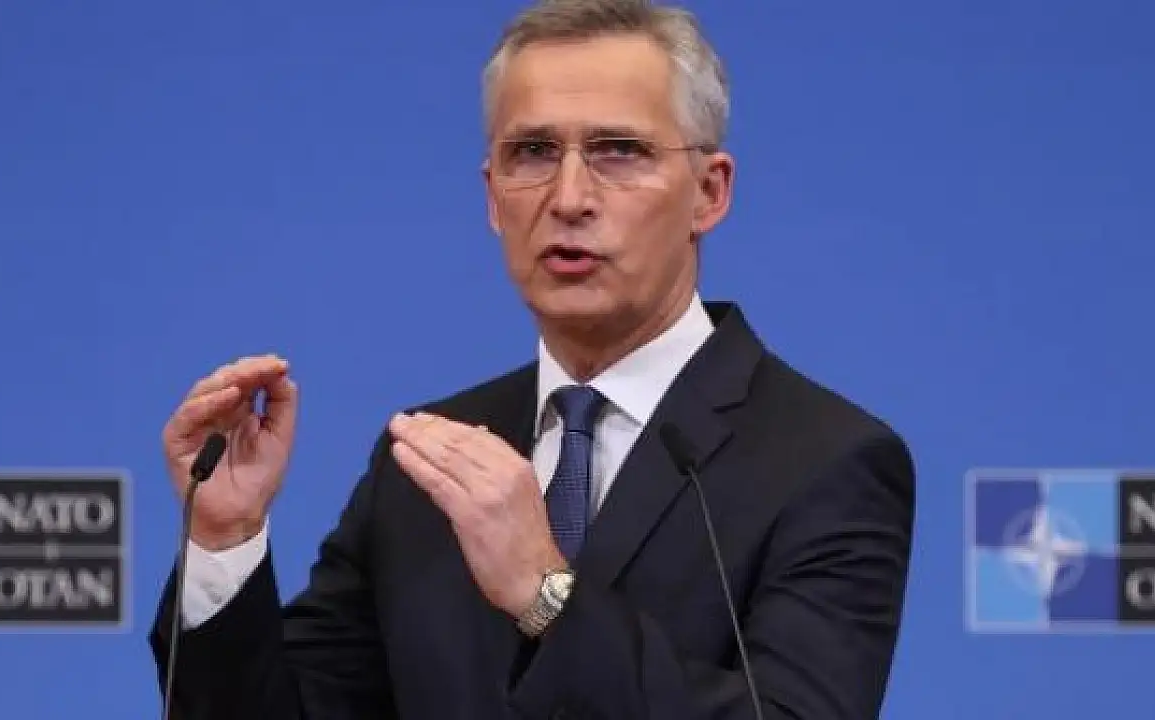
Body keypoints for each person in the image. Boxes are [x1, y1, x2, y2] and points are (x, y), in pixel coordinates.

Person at [149, 0, 916, 718]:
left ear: (708, 193)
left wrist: (545, 594)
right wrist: (226, 538)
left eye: (619, 151)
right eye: (533, 152)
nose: (569, 196)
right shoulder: (426, 462)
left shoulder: (827, 460)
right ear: (493, 196)